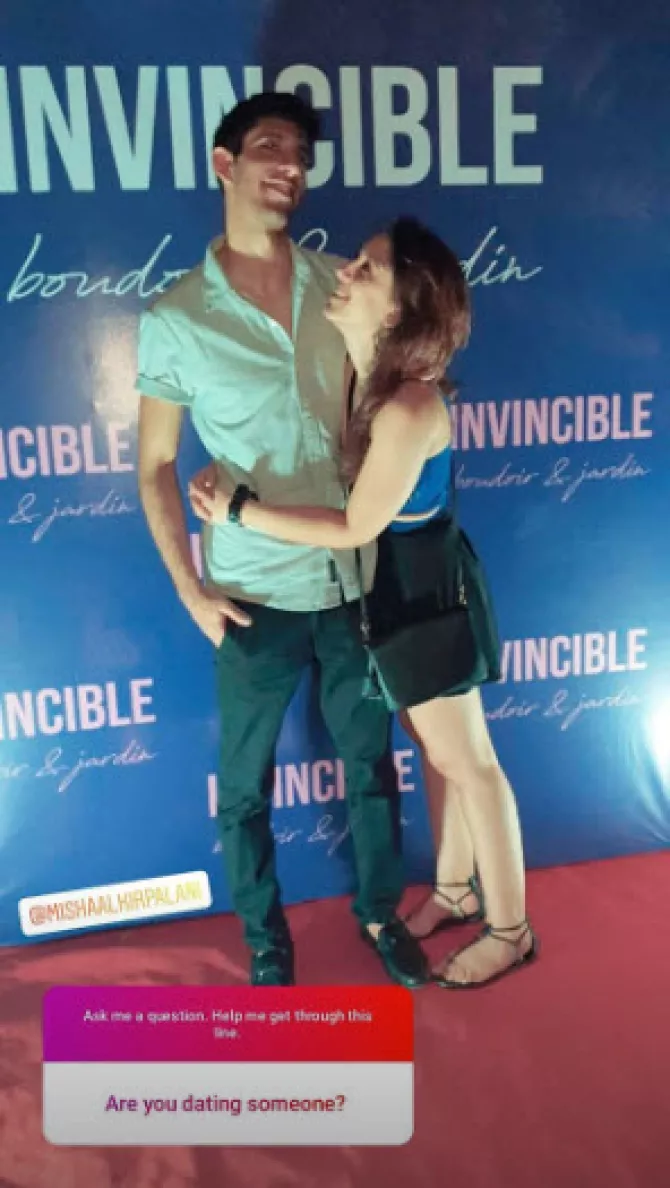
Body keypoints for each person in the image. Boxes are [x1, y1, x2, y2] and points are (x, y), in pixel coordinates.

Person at [188, 216, 539, 988]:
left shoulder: (409, 407)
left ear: (400, 308)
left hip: (427, 598)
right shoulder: (366, 374)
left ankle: (511, 930)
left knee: (471, 764)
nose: (345, 271)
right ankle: (454, 889)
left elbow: (354, 525)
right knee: (434, 751)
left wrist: (240, 511)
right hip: (391, 595)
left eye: (367, 269)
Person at [135, 91, 429, 989]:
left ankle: (380, 913)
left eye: (301, 153)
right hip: (251, 597)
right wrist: (190, 590)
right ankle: (266, 943)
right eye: (270, 146)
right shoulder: (176, 317)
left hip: (352, 582)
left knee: (370, 768)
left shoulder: (341, 286)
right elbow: (155, 465)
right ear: (224, 165)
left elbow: (393, 398)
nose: (291, 165)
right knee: (244, 789)